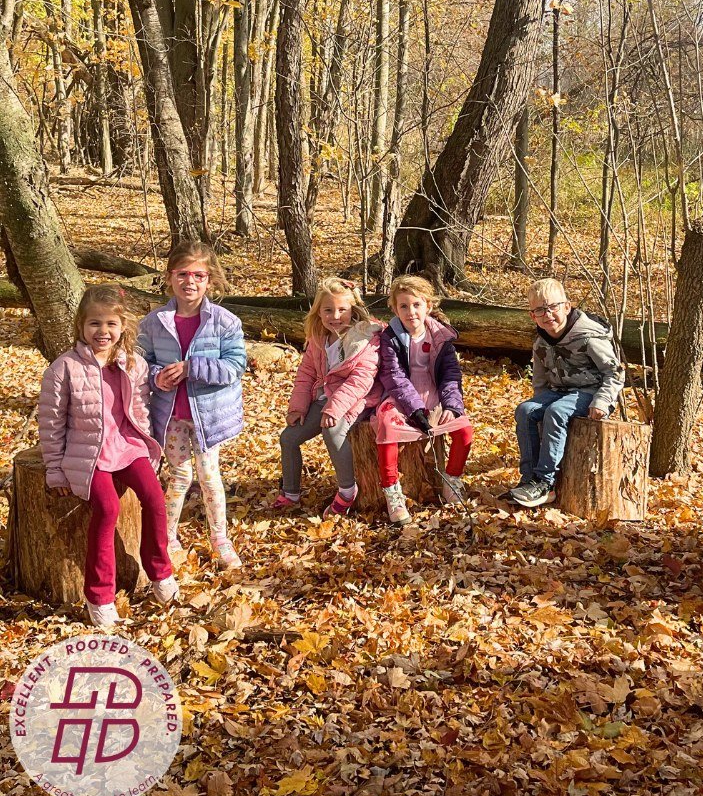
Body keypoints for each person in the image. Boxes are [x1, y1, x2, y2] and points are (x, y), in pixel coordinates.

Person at [38, 286, 178, 628]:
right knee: (108, 508)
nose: (103, 332)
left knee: (155, 499)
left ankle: (160, 573)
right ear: (81, 327)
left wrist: (146, 450)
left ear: (122, 326)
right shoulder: (65, 368)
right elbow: (51, 423)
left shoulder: (133, 363)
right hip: (89, 455)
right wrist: (55, 471)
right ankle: (99, 595)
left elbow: (141, 409)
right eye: (94, 324)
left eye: (111, 323)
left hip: (128, 447)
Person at [138, 241, 246, 570]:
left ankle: (220, 541)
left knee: (210, 477)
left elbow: (235, 366)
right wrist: (158, 377)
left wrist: (192, 368)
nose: (190, 282)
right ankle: (168, 538)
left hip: (208, 418)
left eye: (198, 275)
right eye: (182, 274)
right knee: (179, 476)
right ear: (170, 277)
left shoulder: (224, 321)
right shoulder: (154, 322)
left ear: (209, 279)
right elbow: (141, 364)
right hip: (172, 417)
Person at [510, 278, 625, 508]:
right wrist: (537, 417)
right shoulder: (541, 343)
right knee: (525, 410)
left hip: (592, 393)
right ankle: (529, 479)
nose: (548, 314)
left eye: (553, 307)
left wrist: (602, 401)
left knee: (556, 412)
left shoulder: (588, 336)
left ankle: (545, 482)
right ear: (532, 315)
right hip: (559, 392)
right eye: (540, 310)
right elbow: (540, 384)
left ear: (566, 306)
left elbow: (615, 372)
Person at [273, 278, 383, 518]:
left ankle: (347, 489)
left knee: (333, 431)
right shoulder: (319, 339)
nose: (335, 316)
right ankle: (290, 492)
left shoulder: (365, 338)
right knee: (289, 437)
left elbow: (361, 381)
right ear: (318, 312)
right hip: (325, 399)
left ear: (353, 310)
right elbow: (306, 374)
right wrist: (298, 407)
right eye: (328, 310)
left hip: (358, 400)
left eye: (342, 310)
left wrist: (334, 410)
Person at [374, 275, 473, 525]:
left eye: (417, 305)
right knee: (387, 427)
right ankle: (392, 491)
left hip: (434, 393)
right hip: (401, 395)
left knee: (464, 431)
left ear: (428, 305)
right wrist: (415, 409)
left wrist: (452, 405)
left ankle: (452, 478)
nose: (411, 312)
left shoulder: (440, 336)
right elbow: (393, 376)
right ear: (395, 309)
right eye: (403, 306)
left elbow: (451, 374)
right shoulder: (390, 337)